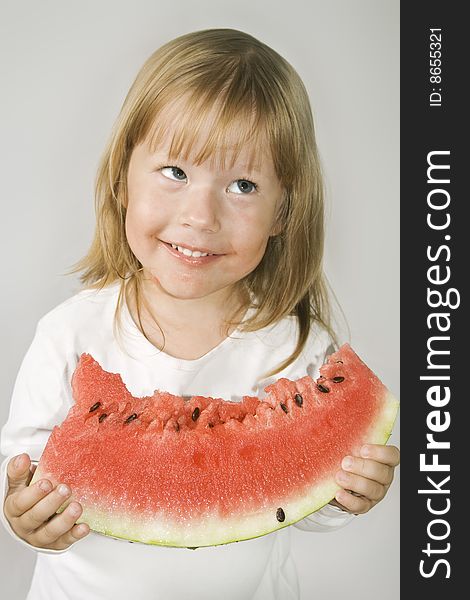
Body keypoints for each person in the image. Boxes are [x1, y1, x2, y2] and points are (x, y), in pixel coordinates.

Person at [0, 28, 400, 600]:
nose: (200, 215)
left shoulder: (295, 347)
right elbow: (25, 466)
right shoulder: (71, 332)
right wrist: (24, 517)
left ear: (284, 211)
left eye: (242, 184)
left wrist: (341, 496)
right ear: (121, 179)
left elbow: (296, 504)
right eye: (176, 172)